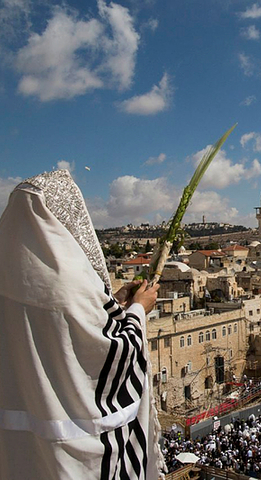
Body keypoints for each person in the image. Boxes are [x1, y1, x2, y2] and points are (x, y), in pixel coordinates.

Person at [0, 170, 164, 479]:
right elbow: (109, 351)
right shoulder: (70, 281)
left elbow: (61, 322)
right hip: (74, 446)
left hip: (20, 439)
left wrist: (113, 302)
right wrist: (139, 311)